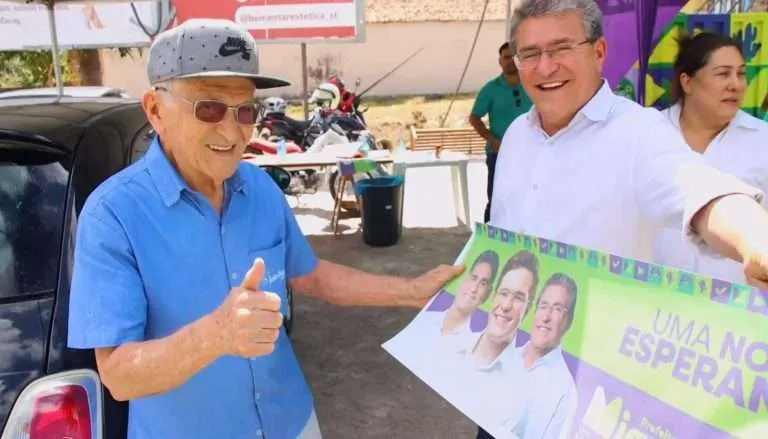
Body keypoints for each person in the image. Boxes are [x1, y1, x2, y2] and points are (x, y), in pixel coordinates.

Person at [66, 19, 463, 439]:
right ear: (155, 110)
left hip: (289, 420)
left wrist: (411, 291)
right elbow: (119, 376)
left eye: (245, 110)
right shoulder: (113, 215)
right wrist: (216, 335)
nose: (232, 130)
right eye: (209, 108)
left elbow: (311, 275)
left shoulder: (258, 186)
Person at [480, 0, 768, 437]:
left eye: (561, 48)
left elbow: (701, 189)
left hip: (590, 389)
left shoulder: (639, 134)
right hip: (508, 374)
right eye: (531, 55)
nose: (545, 67)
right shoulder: (520, 133)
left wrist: (753, 238)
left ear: (599, 53)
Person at [654, 32, 768, 285]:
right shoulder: (649, 134)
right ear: (687, 82)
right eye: (723, 73)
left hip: (738, 306)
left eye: (741, 74)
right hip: (654, 300)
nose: (735, 84)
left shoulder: (763, 141)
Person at [496, 273, 579, 439]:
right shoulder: (505, 356)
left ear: (568, 321)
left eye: (557, 309)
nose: (546, 317)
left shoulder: (565, 391)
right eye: (543, 306)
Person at [470, 42, 533, 223]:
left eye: (513, 57)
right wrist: (492, 140)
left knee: (531, 199)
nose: (509, 62)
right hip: (499, 154)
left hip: (532, 152)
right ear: (500, 61)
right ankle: (489, 241)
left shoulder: (533, 84)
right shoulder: (491, 89)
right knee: (497, 201)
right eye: (505, 58)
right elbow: (475, 118)